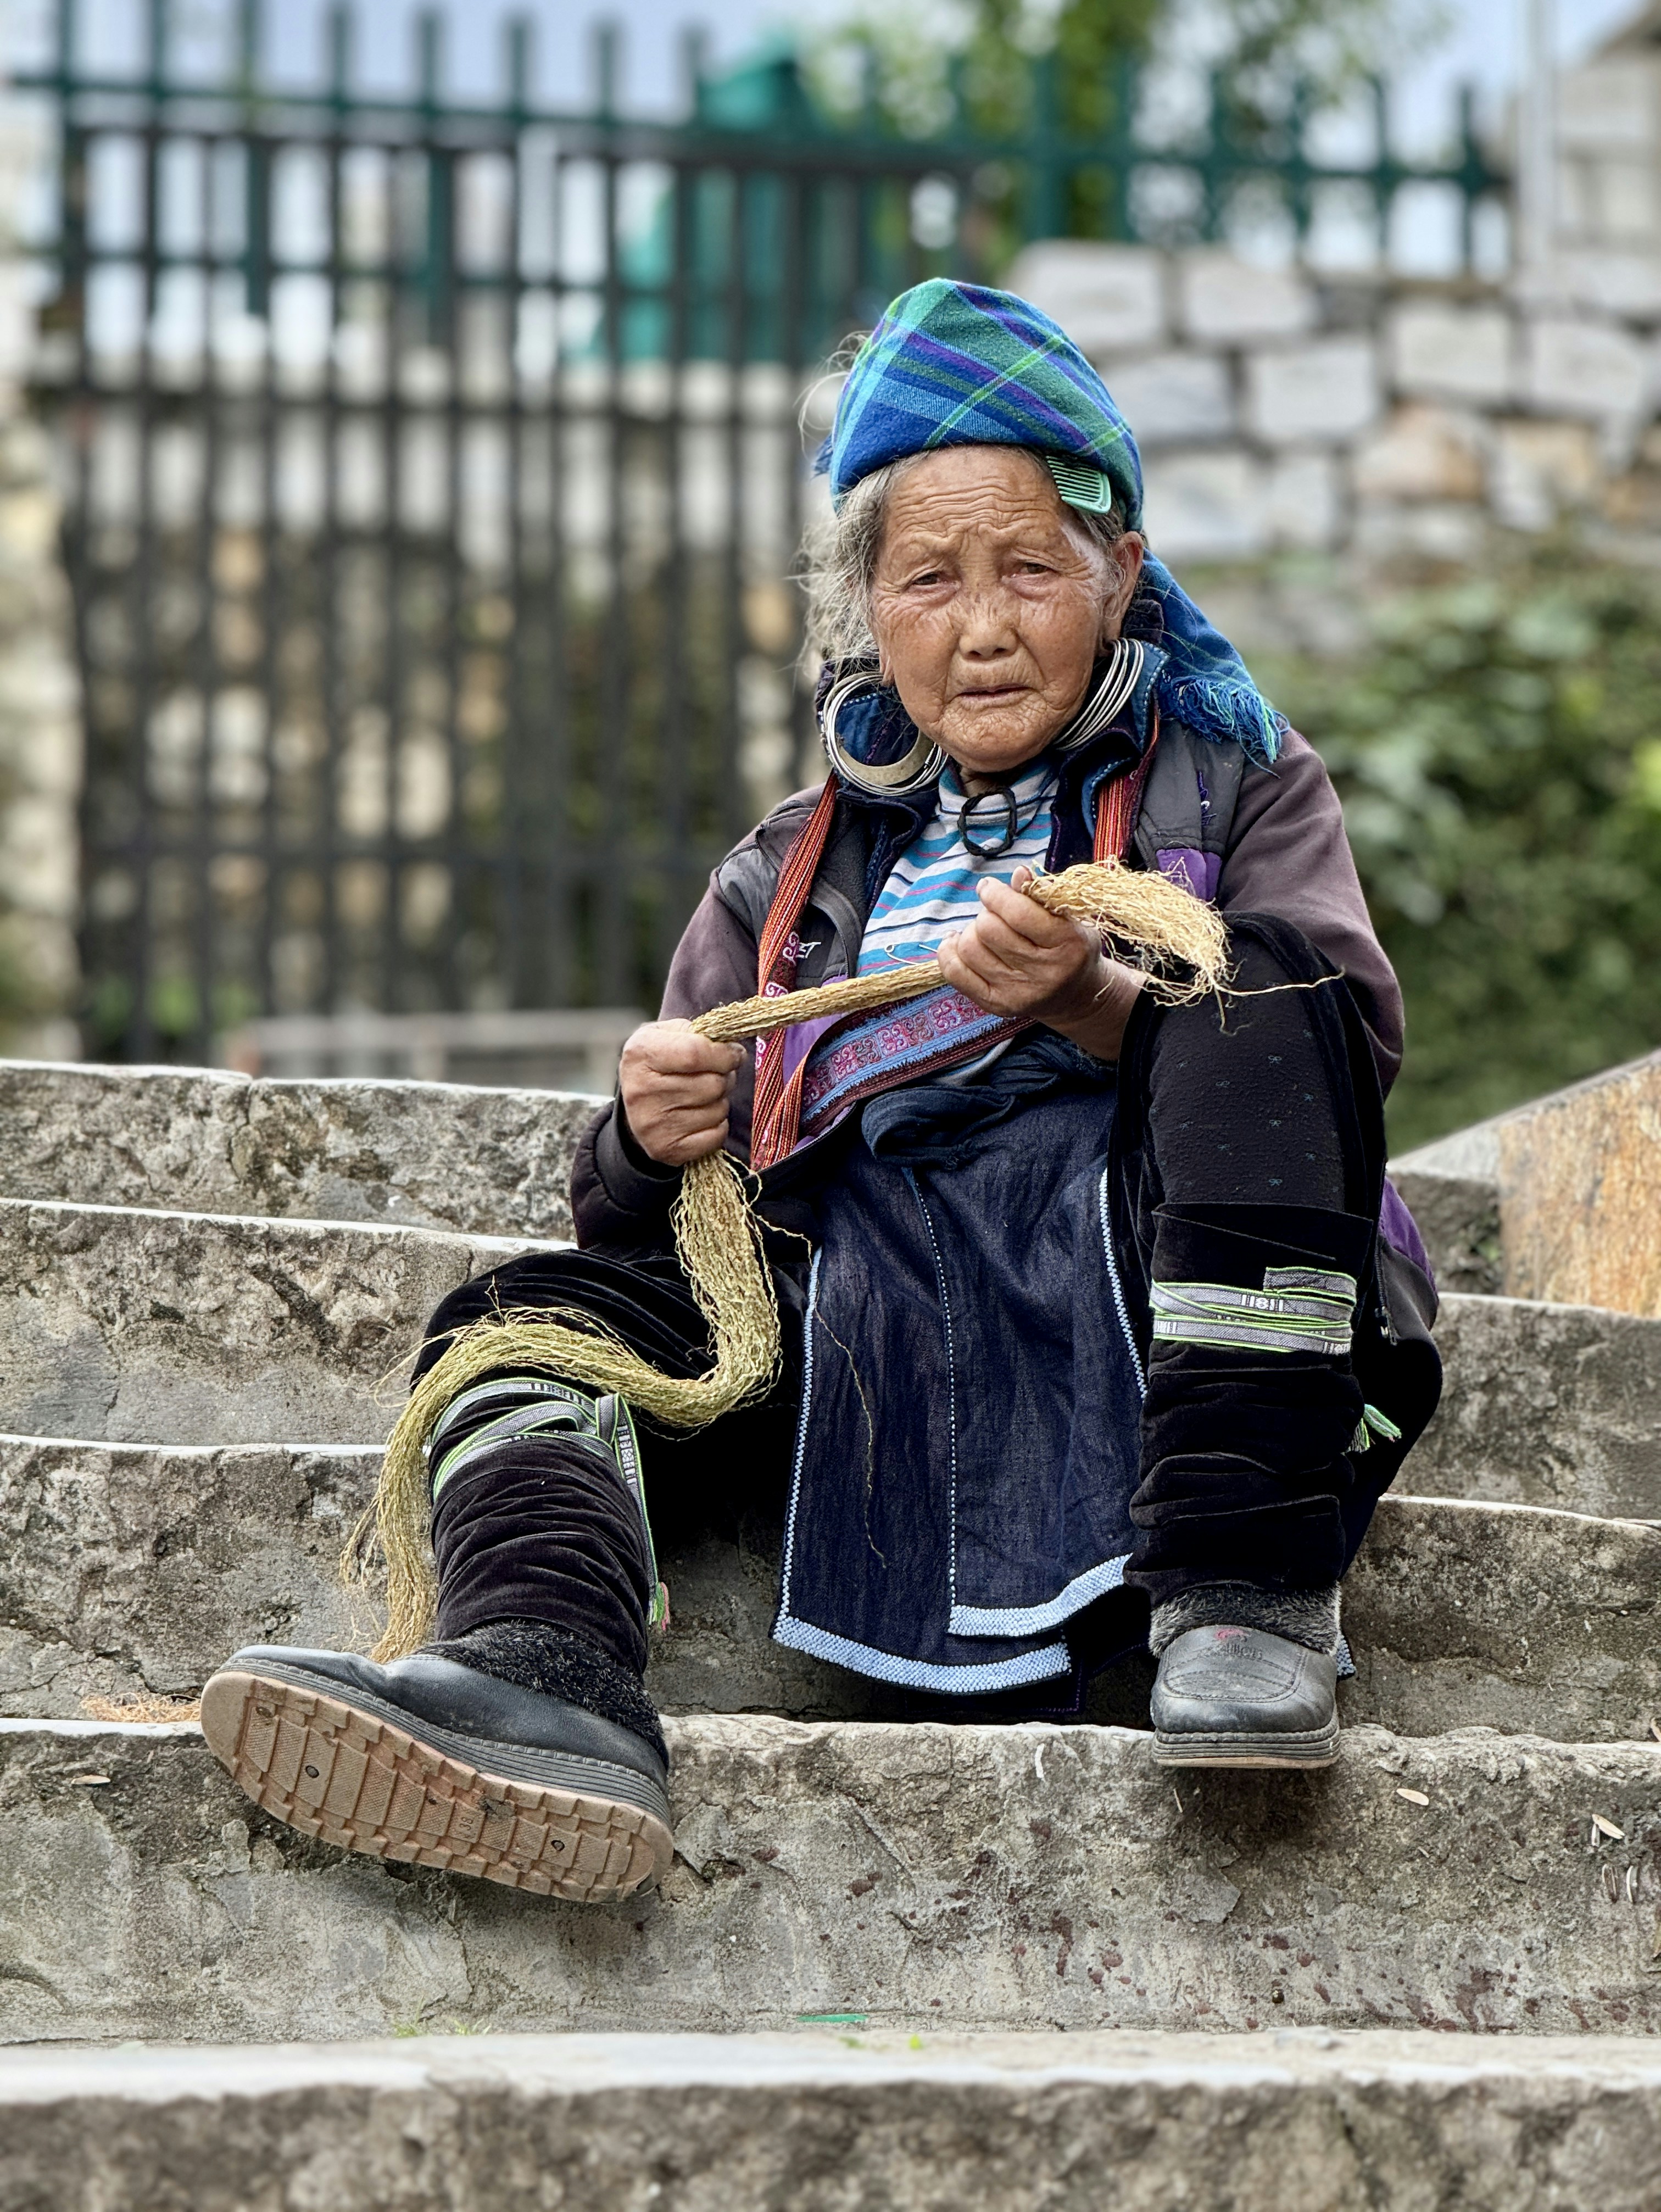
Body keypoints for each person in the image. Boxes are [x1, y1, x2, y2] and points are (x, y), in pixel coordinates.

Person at [201, 279, 1441, 1900]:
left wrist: (1097, 1007)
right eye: (928, 578)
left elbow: (1342, 1052)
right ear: (867, 608)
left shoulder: (1237, 778)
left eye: (1029, 571)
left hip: (1162, 1305)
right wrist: (641, 1140)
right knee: (523, 1323)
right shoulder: (787, 871)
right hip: (869, 1321)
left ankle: (1242, 1597)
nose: (981, 624)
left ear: (1120, 575)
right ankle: (543, 1676)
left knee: (1262, 999)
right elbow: (661, 1213)